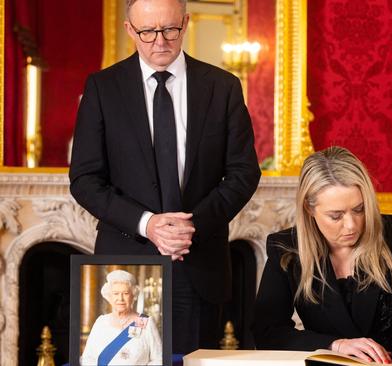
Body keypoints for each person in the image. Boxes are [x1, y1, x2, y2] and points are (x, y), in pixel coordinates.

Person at [69, 0, 261, 354]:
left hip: (199, 262)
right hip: (126, 262)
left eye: (170, 29)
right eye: (147, 32)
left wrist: (191, 227)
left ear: (185, 23)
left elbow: (244, 172)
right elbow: (84, 179)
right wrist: (148, 224)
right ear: (130, 30)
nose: (160, 41)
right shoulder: (102, 88)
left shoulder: (223, 87)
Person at [253, 147, 392, 366]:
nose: (351, 225)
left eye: (359, 209)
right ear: (309, 209)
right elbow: (267, 331)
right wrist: (335, 346)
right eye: (335, 216)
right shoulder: (287, 248)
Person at [81, 270, 162, 365]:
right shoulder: (101, 322)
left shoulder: (146, 322)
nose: (120, 298)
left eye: (126, 293)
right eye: (116, 293)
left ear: (133, 296)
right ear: (109, 297)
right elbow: (87, 358)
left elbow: (159, 359)